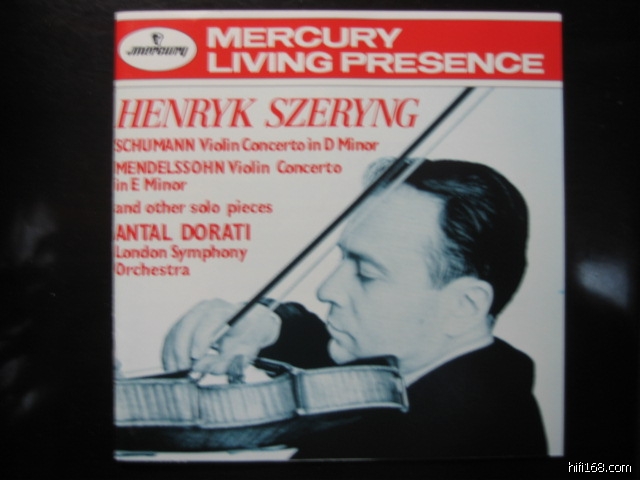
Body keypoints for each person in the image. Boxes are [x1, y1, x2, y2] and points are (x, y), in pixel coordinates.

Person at [162, 159, 548, 459]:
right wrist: (269, 321)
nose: (326, 289)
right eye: (344, 260)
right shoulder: (422, 371)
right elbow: (321, 349)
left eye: (366, 274)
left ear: (464, 306)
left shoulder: (451, 442)